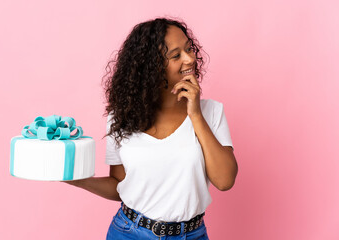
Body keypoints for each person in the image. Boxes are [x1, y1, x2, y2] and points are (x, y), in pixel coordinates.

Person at [65, 17, 238, 240]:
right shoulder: (122, 117)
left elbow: (224, 181)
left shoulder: (211, 112)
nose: (189, 59)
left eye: (189, 49)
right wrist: (76, 180)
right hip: (128, 232)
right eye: (176, 55)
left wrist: (195, 114)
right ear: (152, 68)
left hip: (190, 235)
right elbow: (119, 184)